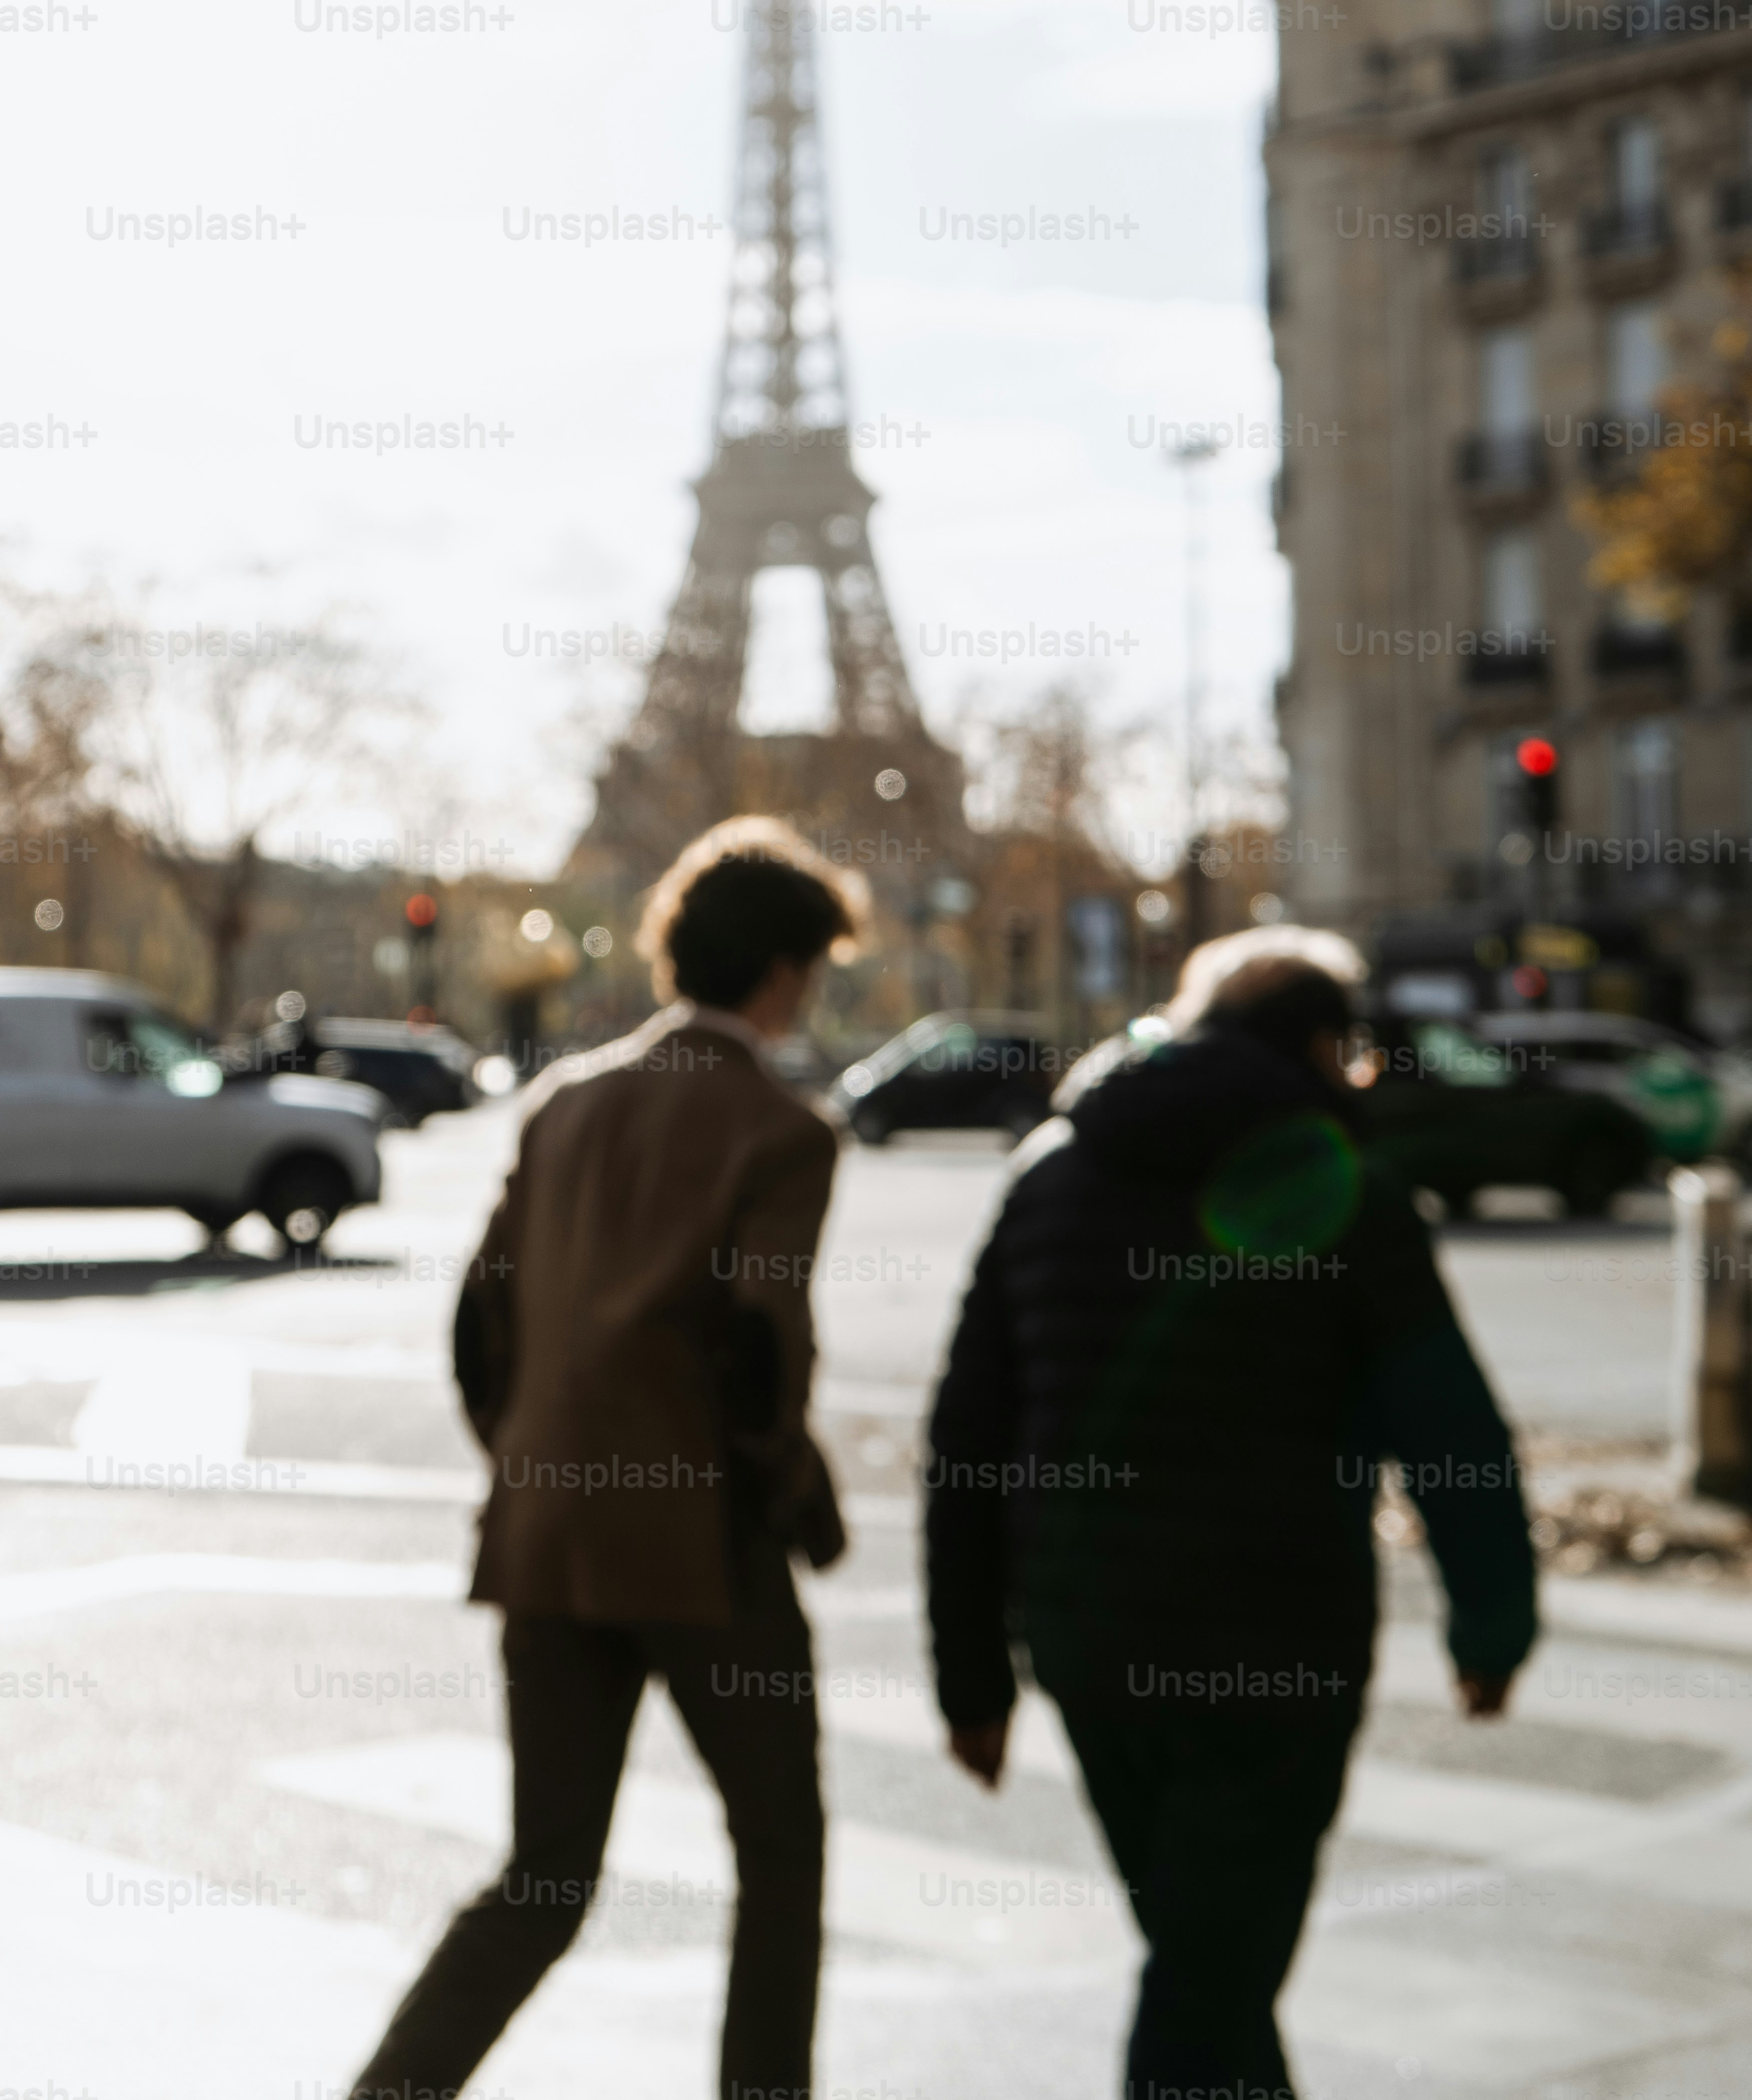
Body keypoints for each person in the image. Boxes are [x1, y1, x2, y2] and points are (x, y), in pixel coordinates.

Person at [924, 925, 1537, 2100]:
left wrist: (970, 1673)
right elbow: (1447, 1426)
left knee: (1206, 1957)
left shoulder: (1049, 1173)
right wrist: (1492, 1622)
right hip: (1275, 1641)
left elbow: (966, 1439)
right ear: (1318, 1042)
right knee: (1210, 1979)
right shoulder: (1340, 1186)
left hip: (1088, 1637)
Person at [349, 816, 867, 2100]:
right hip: (703, 1554)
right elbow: (760, 1355)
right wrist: (797, 1500)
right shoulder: (780, 1131)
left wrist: (534, 1460)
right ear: (788, 973)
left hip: (545, 1540)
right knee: (781, 1858)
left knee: (542, 1878)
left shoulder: (565, 1105)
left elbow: (481, 1325)